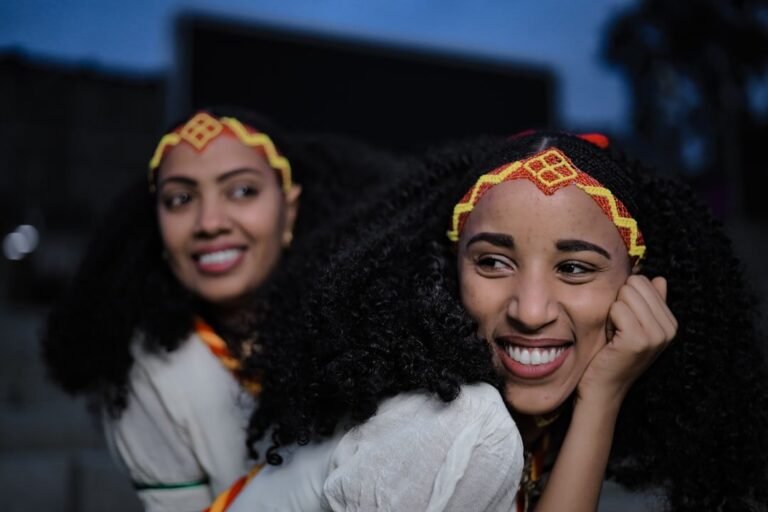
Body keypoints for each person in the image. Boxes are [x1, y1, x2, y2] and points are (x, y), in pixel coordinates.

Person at [230, 131, 768, 511]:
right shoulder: (455, 425)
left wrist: (602, 394)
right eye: (492, 261)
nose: (530, 311)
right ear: (447, 269)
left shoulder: (525, 425)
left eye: (575, 268)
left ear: (638, 284)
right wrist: (602, 398)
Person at [41, 106, 406, 511]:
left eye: (242, 191)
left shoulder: (367, 329)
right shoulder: (144, 376)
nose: (210, 222)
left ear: (291, 210)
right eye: (180, 199)